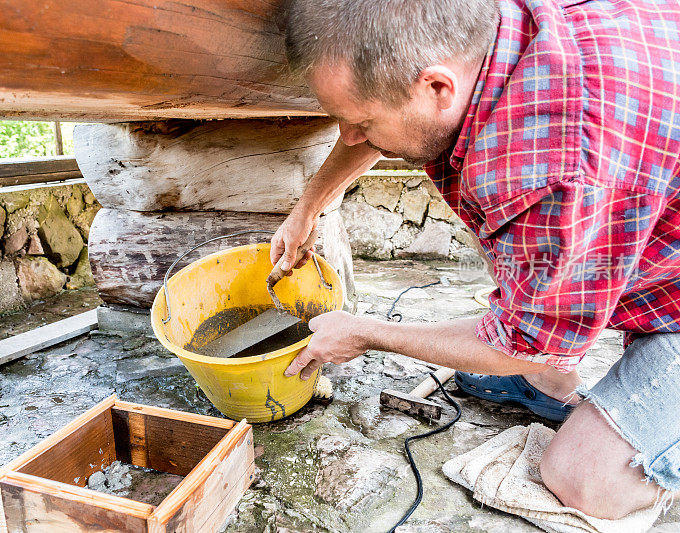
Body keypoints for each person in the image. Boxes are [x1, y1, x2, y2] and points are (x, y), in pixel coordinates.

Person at [271, 0, 680, 520]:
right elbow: (378, 113)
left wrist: (364, 331)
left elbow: (521, 341)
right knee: (536, 283)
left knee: (585, 480)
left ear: (438, 87)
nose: (350, 136)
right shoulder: (485, 36)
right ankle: (551, 374)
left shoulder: (553, 172)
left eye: (360, 124)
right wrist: (308, 209)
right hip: (655, 227)